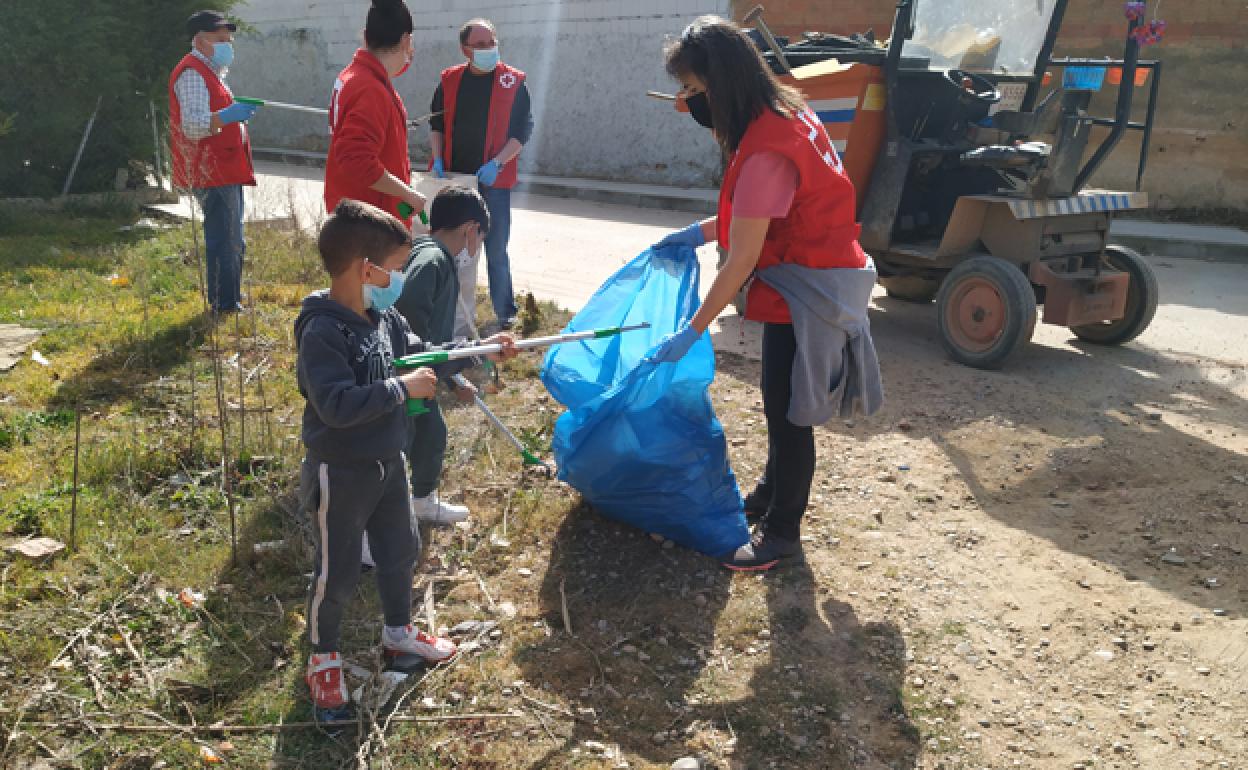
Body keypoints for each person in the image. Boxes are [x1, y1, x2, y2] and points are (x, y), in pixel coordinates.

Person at [651, 17, 883, 572]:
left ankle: (782, 534)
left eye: (694, 91)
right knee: (778, 400)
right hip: (811, 273)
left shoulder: (765, 152)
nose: (689, 104)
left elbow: (744, 257)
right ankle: (766, 496)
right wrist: (700, 230)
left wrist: (694, 329)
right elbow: (757, 213)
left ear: (723, 84)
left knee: (790, 415)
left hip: (809, 289)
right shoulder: (788, 112)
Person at [295, 199, 514, 717]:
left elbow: (424, 353)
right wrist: (399, 389)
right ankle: (324, 661)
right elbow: (335, 404)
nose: (399, 279)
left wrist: (479, 352)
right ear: (364, 269)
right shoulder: (323, 330)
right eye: (394, 269)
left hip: (387, 462)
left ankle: (398, 635)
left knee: (400, 551)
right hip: (340, 469)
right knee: (339, 571)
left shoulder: (384, 316)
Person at [394, 185, 495, 525]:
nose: (477, 247)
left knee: (424, 431)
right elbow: (408, 315)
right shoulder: (433, 259)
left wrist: (453, 379)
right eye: (479, 238)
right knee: (427, 432)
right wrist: (416, 361)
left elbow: (433, 339)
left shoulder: (429, 251)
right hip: (407, 368)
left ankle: (411, 498)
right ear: (469, 229)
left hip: (420, 366)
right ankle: (417, 502)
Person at [429, 18, 534, 331]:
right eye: (481, 45)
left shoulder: (512, 82)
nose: (490, 49)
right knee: (451, 248)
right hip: (455, 182)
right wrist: (436, 159)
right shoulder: (449, 81)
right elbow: (436, 124)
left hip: (493, 182)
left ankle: (505, 312)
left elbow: (522, 131)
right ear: (465, 50)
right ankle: (451, 308)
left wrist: (498, 163)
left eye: (492, 42)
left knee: (496, 248)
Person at [169, 10, 259, 315]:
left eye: (229, 39)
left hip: (224, 170)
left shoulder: (212, 73)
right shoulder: (193, 73)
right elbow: (192, 126)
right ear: (200, 41)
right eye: (221, 39)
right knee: (226, 241)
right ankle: (225, 305)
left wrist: (232, 114)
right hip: (213, 172)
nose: (228, 45)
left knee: (231, 238)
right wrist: (228, 116)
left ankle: (228, 300)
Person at [324, 0, 425, 228]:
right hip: (370, 225)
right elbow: (356, 159)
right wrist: (407, 194)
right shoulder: (370, 88)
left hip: (360, 216)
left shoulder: (356, 76)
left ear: (366, 36)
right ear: (406, 41)